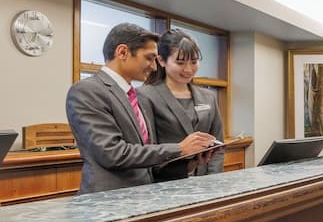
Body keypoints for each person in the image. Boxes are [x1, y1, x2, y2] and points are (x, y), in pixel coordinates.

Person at [66, 22, 218, 194]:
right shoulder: (87, 91)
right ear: (122, 52)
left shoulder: (133, 96)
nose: (154, 66)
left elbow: (147, 161)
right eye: (149, 58)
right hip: (108, 199)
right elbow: (112, 153)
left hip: (142, 196)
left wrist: (187, 163)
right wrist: (179, 149)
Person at [138, 29, 224, 181]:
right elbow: (149, 149)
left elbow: (218, 145)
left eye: (194, 62)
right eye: (180, 63)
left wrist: (212, 180)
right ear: (161, 61)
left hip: (206, 182)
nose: (188, 69)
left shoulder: (208, 97)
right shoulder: (146, 96)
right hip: (166, 182)